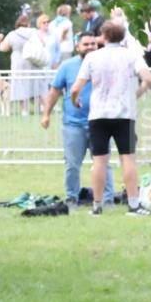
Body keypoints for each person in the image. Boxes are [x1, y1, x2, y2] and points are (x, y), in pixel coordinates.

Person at [71, 21, 151, 216]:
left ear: (104, 37)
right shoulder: (132, 55)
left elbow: (75, 88)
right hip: (124, 114)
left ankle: (97, 206)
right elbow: (149, 79)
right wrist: (139, 91)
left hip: (98, 115)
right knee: (128, 159)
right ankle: (133, 205)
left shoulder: (92, 57)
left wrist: (75, 101)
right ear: (123, 36)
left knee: (99, 161)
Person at [41, 34, 115, 207]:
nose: (90, 46)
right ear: (77, 47)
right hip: (73, 124)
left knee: (103, 163)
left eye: (93, 44)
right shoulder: (67, 66)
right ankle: (72, 198)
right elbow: (54, 91)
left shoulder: (106, 65)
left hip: (100, 123)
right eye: (86, 44)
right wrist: (46, 114)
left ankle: (107, 198)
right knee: (72, 165)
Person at [0, 14, 42, 116]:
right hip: (32, 60)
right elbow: (42, 43)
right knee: (34, 83)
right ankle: (39, 107)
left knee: (20, 85)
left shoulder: (12, 34)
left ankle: (24, 110)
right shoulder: (34, 32)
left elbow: (3, 48)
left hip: (18, 61)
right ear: (28, 23)